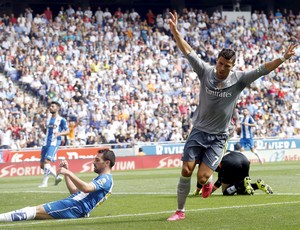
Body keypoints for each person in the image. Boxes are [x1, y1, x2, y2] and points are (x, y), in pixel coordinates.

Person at [166, 11, 297, 221]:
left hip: (219, 137)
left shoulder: (239, 79)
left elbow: (263, 69)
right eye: (220, 63)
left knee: (203, 176)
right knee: (186, 169)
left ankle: (207, 183)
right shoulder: (205, 71)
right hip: (199, 130)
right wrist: (175, 32)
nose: (221, 68)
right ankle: (180, 211)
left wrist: (283, 57)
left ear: (232, 66)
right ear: (216, 61)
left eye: (226, 66)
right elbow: (188, 51)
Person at [0, 149, 115, 221]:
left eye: (97, 160)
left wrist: (69, 172)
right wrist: (67, 173)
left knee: (33, 211)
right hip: (74, 204)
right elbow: (75, 192)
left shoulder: (106, 179)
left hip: (75, 206)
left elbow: (86, 188)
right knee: (35, 212)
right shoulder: (102, 178)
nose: (93, 162)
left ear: (107, 163)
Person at [193, 143, 273, 196]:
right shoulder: (214, 152)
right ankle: (257, 185)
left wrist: (205, 192)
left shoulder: (205, 160)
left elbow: (219, 180)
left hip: (230, 162)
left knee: (226, 192)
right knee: (241, 191)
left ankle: (240, 184)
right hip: (244, 159)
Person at [38, 101, 70, 188]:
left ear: (57, 108)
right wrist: (42, 128)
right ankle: (57, 177)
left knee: (46, 161)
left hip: (54, 143)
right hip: (46, 143)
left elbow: (68, 131)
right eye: (50, 106)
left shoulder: (61, 120)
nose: (50, 108)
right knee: (42, 165)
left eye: (52, 106)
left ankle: (45, 183)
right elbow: (47, 132)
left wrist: (59, 134)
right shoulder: (48, 119)